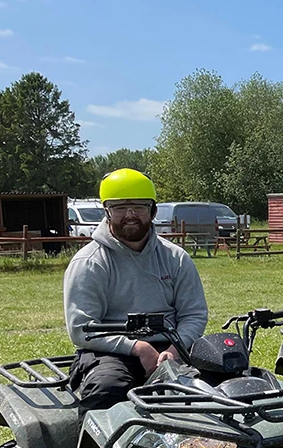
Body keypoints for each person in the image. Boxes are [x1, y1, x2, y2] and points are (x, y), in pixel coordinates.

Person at [63, 169, 209, 410]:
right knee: (107, 389)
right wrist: (137, 347)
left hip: (173, 345)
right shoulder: (89, 262)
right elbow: (81, 329)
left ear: (152, 211)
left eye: (139, 207)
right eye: (120, 208)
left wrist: (176, 349)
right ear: (107, 212)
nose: (130, 215)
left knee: (225, 376)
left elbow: (194, 314)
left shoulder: (175, 257)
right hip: (111, 352)